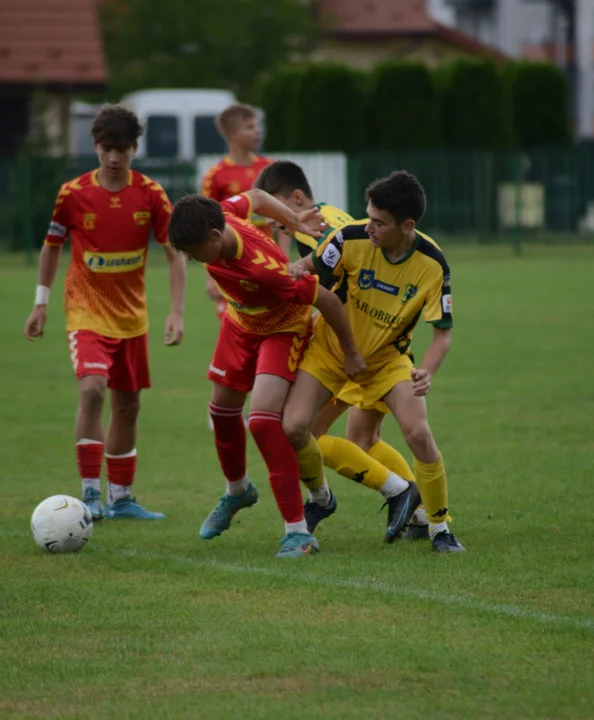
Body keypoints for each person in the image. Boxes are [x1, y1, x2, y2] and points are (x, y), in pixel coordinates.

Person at [167, 191, 364, 558]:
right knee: (221, 411)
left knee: (261, 421)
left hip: (281, 329)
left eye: (194, 252)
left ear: (213, 236)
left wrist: (351, 352)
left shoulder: (265, 271)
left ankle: (298, 532)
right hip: (240, 322)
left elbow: (328, 300)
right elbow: (256, 196)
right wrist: (295, 220)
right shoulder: (221, 214)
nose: (194, 260)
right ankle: (237, 490)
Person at [281, 171, 466, 553]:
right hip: (331, 352)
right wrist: (289, 270)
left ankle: (440, 528)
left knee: (418, 433)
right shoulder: (349, 238)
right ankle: (326, 498)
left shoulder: (432, 264)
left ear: (407, 226)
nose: (369, 228)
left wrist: (426, 371)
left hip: (387, 360)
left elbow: (442, 334)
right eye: (368, 217)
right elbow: (310, 268)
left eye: (379, 223)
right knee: (296, 429)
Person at [24, 104, 186, 522]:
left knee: (128, 406)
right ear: (95, 147)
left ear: (135, 149)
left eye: (123, 149)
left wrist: (177, 312)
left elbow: (174, 254)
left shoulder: (150, 194)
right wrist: (41, 303)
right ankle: (90, 493)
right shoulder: (73, 194)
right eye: (106, 148)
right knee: (93, 390)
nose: (114, 157)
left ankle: (122, 498)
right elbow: (51, 246)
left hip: (132, 318)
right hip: (85, 310)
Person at [254, 161, 426, 537]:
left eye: (282, 213)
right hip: (378, 342)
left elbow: (342, 286)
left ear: (297, 198)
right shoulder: (328, 218)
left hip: (359, 347)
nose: (281, 224)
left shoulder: (319, 228)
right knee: (365, 439)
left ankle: (400, 494)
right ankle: (421, 513)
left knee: (306, 435)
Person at [199, 104, 274, 429]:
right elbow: (205, 231)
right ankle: (227, 406)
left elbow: (279, 222)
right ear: (231, 134)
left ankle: (260, 405)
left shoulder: (269, 170)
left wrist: (285, 261)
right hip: (233, 276)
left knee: (270, 337)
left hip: (267, 271)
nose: (256, 131)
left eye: (256, 125)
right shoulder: (217, 176)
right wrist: (211, 275)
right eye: (248, 126)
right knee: (239, 340)